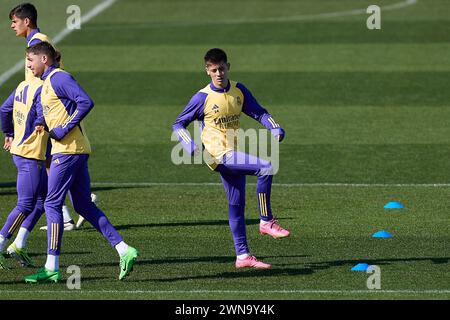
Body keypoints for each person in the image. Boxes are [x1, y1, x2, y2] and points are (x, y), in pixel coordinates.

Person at [23, 42, 138, 283]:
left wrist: (64, 128)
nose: (28, 65)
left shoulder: (59, 78)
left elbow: (85, 101)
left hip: (67, 152)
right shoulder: (47, 83)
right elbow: (56, 109)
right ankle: (124, 249)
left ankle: (51, 266)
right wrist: (41, 122)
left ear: (44, 58)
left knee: (52, 204)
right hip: (73, 151)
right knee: (83, 206)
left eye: (31, 61)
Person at [172, 48, 290, 269]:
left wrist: (275, 127)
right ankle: (266, 221)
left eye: (222, 68)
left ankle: (243, 256)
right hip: (217, 154)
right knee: (266, 167)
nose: (219, 73)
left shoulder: (239, 90)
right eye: (214, 70)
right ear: (207, 71)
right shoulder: (202, 98)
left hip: (232, 152)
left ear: (228, 67)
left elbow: (259, 112)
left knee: (236, 205)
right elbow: (178, 123)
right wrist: (188, 143)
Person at [9, 2, 92, 230]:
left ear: (27, 21)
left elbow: (36, 86)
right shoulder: (37, 42)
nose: (12, 26)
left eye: (14, 22)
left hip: (49, 112)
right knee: (48, 160)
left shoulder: (37, 44)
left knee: (47, 159)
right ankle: (72, 205)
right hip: (50, 110)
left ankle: (67, 211)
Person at [0, 78, 47, 269]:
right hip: (30, 154)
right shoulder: (44, 87)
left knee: (43, 200)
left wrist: (9, 133)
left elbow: (4, 109)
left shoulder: (23, 84)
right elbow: (41, 115)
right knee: (26, 204)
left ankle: (19, 244)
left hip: (22, 151)